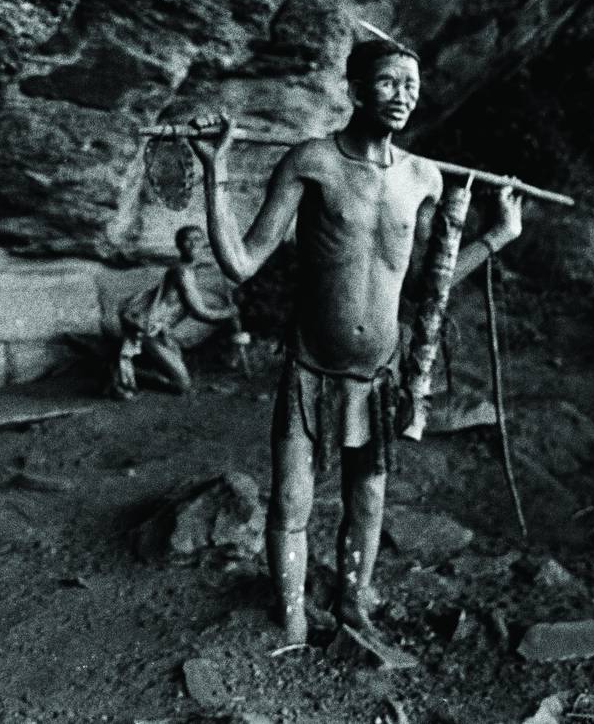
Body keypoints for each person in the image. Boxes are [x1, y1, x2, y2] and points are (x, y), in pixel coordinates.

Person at [188, 39, 524, 646]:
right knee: (291, 504)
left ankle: (352, 605)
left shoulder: (423, 177)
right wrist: (216, 173)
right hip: (310, 370)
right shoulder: (311, 161)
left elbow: (427, 284)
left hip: (376, 378)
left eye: (412, 84)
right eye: (390, 82)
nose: (404, 95)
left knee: (367, 504)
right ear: (356, 89)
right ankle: (291, 616)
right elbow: (241, 264)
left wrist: (497, 234)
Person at [111, 225, 246, 399]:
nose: (192, 244)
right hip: (149, 331)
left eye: (197, 239)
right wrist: (230, 312)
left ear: (204, 243)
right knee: (183, 385)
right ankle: (114, 371)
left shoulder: (188, 271)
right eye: (187, 240)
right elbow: (200, 312)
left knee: (182, 375)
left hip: (161, 332)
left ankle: (134, 367)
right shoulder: (182, 272)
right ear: (179, 245)